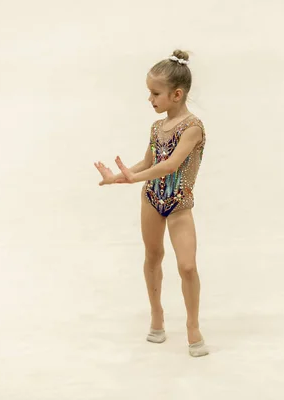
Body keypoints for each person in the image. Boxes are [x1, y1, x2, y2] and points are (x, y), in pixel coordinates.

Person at [94, 50, 209, 357]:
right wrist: (118, 177)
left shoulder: (193, 127)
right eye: (149, 93)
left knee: (187, 266)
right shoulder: (157, 128)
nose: (150, 99)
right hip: (151, 199)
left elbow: (171, 165)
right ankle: (156, 315)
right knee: (153, 256)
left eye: (155, 93)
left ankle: (193, 326)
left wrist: (134, 177)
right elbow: (148, 162)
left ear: (177, 94)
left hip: (179, 203)